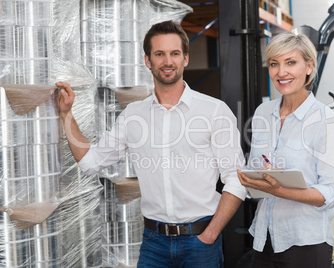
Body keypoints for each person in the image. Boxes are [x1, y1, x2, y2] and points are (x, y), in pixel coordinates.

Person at [57, 20, 247, 267]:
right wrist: (66, 114)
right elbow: (91, 163)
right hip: (154, 245)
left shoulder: (214, 111)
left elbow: (236, 179)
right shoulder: (133, 115)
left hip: (200, 243)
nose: (168, 61)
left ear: (185, 59)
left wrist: (210, 234)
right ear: (148, 60)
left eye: (174, 54)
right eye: (160, 54)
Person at [237, 31, 334, 268]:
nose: (281, 72)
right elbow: (256, 167)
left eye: (291, 62)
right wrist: (251, 178)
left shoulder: (325, 121)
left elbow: (328, 192)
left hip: (306, 244)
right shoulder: (263, 113)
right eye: (274, 64)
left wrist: (279, 188)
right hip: (264, 239)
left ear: (309, 66)